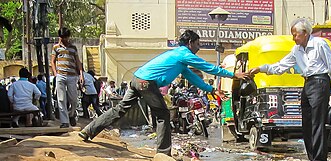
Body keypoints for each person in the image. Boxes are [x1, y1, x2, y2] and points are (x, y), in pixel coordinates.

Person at [79, 30, 249, 154]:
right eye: (197, 44)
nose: (198, 48)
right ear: (190, 43)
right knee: (163, 115)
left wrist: (212, 90)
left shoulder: (179, 57)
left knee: (120, 109)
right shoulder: (184, 54)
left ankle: (88, 131)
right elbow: (207, 67)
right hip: (147, 83)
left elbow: (194, 78)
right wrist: (233, 74)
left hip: (137, 79)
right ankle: (163, 152)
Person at [249, 18, 331, 161]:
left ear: (305, 33)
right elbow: (280, 66)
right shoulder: (296, 50)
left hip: (320, 82)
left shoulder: (319, 44)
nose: (293, 38)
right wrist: (261, 68)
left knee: (317, 123)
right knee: (306, 122)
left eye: (295, 35)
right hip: (307, 83)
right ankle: (312, 158)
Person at [51, 27, 84, 128]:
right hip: (60, 75)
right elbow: (52, 61)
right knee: (61, 99)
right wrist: (55, 73)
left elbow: (78, 61)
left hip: (72, 76)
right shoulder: (56, 48)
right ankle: (64, 122)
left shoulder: (73, 48)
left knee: (73, 99)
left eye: (66, 37)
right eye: (62, 37)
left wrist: (81, 74)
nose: (64, 39)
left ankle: (72, 114)